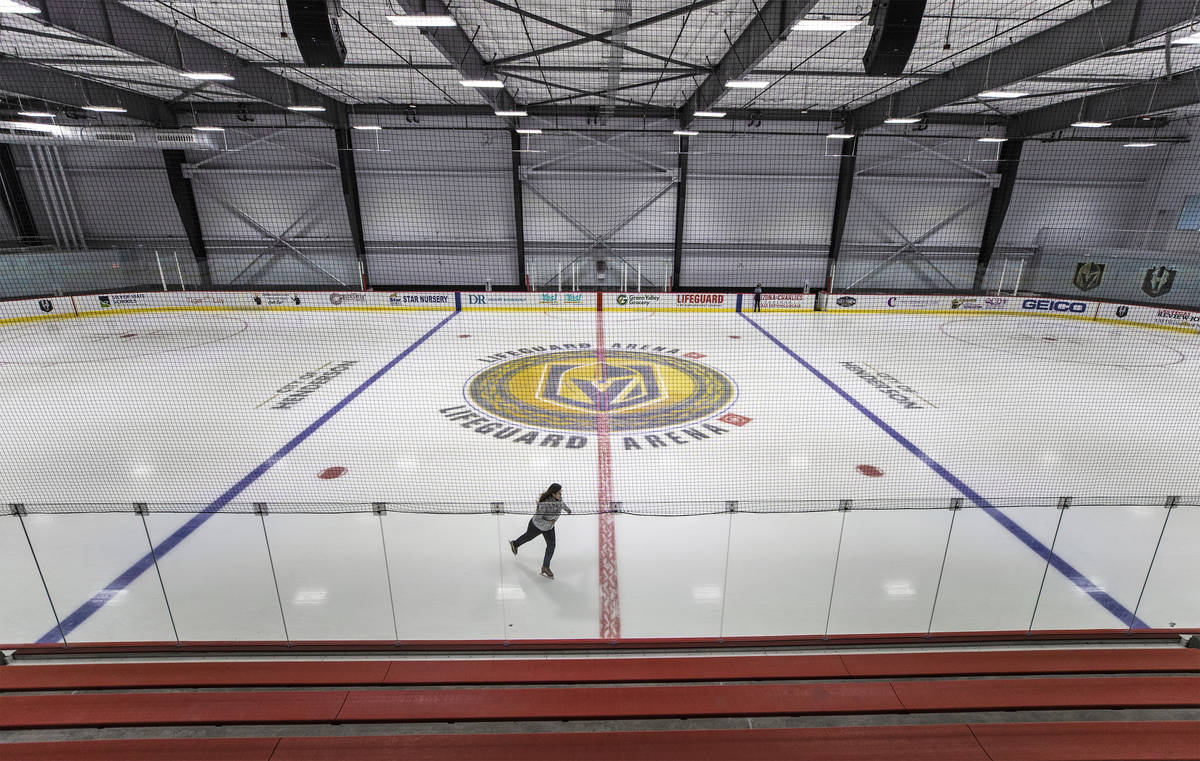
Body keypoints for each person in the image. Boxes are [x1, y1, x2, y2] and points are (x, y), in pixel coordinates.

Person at [509, 483, 571, 579]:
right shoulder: (544, 504)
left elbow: (562, 504)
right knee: (528, 537)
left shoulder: (559, 500)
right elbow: (538, 519)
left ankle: (545, 567)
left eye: (561, 492)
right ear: (553, 494)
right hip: (536, 526)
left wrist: (568, 510)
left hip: (549, 527)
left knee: (551, 546)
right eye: (559, 493)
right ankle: (515, 544)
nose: (561, 494)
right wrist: (550, 523)